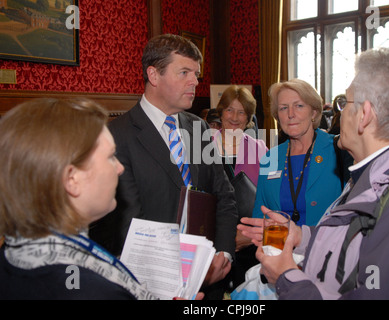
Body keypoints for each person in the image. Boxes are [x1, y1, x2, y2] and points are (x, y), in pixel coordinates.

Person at [240, 43, 389, 299]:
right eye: (283, 108)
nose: (291, 114)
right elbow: (352, 238)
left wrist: (288, 279)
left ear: (365, 114)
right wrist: (300, 235)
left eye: (344, 103)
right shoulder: (374, 176)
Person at [88, 34, 238, 298]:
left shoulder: (197, 127)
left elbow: (224, 196)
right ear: (154, 75)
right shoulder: (117, 136)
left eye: (196, 74)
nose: (195, 82)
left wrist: (223, 255)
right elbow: (128, 222)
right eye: (184, 72)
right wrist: (176, 275)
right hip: (154, 285)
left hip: (210, 276)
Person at [0, 98, 156, 300]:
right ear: (72, 179)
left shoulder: (12, 252)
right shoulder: (93, 291)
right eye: (110, 156)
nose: (120, 168)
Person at [252, 79, 351, 227]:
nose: (290, 114)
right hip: (278, 247)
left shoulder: (338, 150)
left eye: (299, 106)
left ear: (314, 112)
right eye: (283, 108)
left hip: (324, 246)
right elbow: (260, 213)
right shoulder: (270, 157)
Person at [212, 85, 268, 288]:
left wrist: (247, 236)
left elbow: (270, 198)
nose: (234, 117)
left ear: (249, 118)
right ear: (221, 113)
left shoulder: (261, 149)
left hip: (249, 242)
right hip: (213, 241)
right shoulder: (204, 147)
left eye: (241, 111)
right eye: (229, 110)